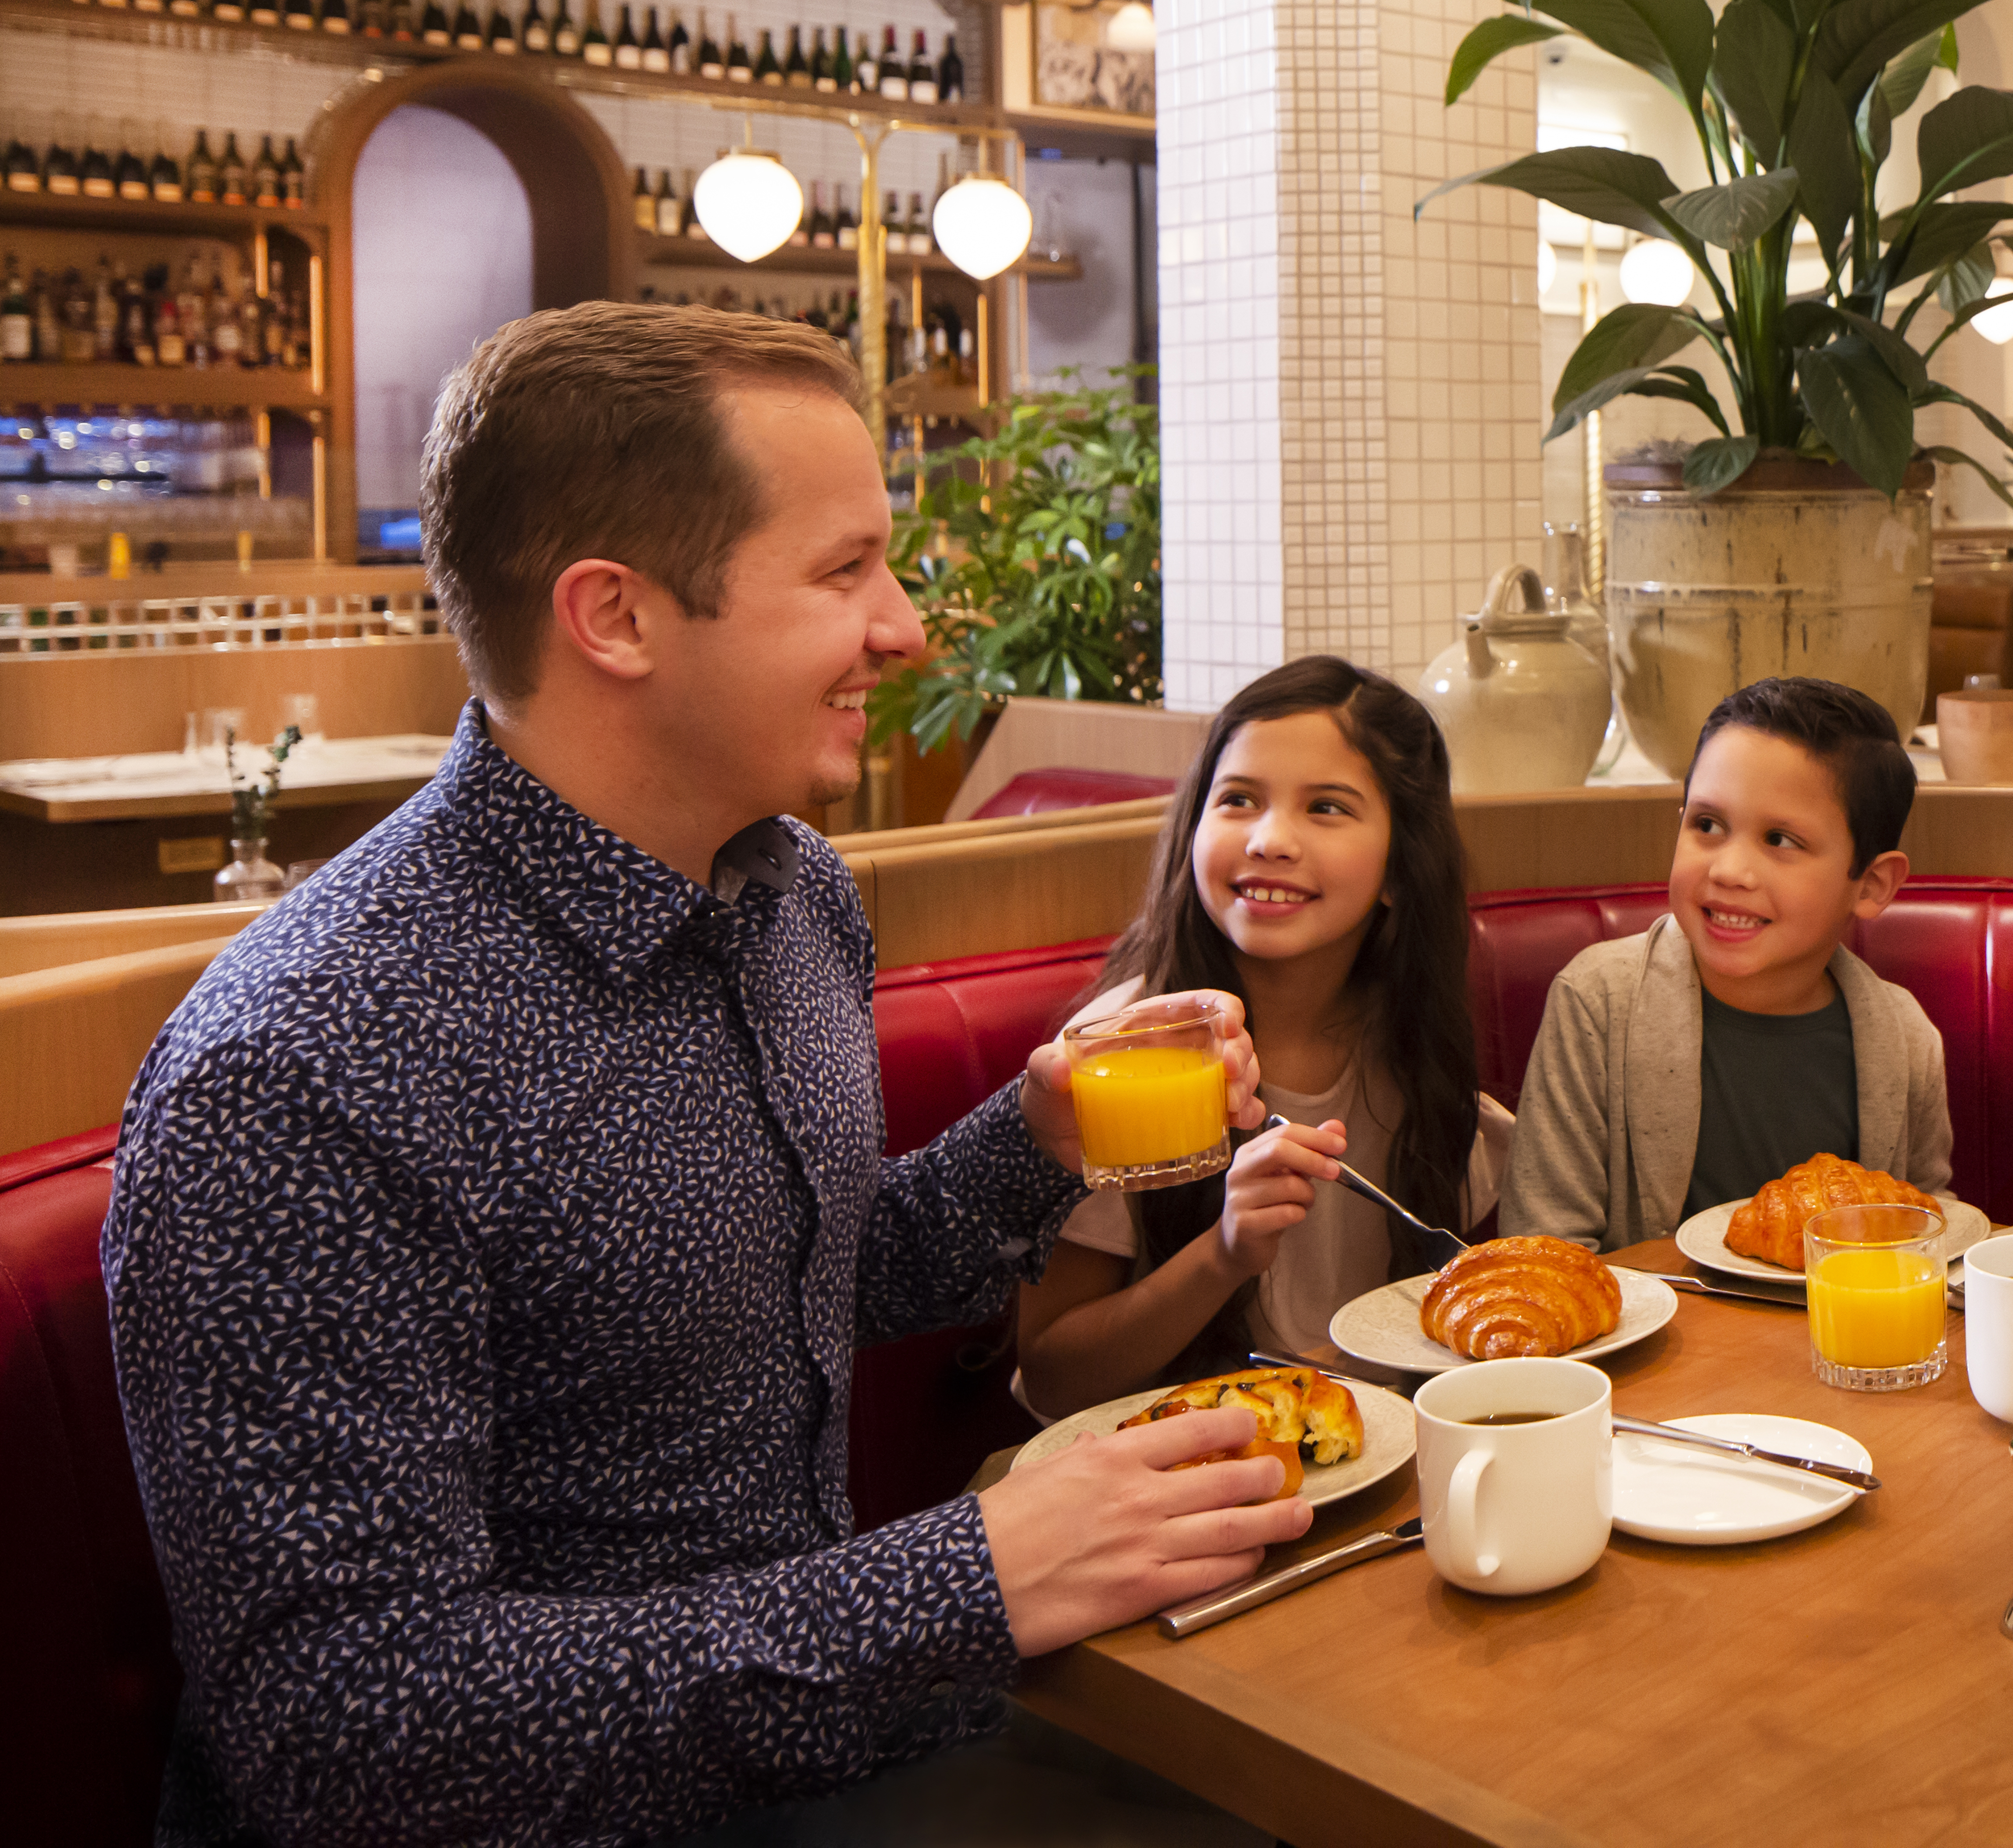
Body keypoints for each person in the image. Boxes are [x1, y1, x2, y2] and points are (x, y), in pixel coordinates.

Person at [102, 304, 1307, 1848]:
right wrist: (970, 1574)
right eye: (843, 569)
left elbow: (797, 1274)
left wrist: (1034, 1132)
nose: (910, 627)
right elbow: (352, 1726)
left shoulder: (792, 893)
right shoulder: (308, 1064)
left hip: (839, 1751)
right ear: (614, 616)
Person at [1016, 657, 1512, 1413]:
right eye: (1239, 799)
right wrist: (1224, 1253)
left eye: (1327, 808)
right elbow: (1053, 1375)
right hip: (1164, 1471)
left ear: (1399, 868)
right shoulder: (1121, 1052)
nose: (1270, 839)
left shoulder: (1420, 1047)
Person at [1505, 675, 1954, 1250]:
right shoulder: (1599, 1002)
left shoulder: (1904, 1039)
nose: (1729, 871)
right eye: (1707, 826)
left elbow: (1927, 1236)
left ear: (1870, 884)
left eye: (1780, 840)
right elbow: (1547, 1251)